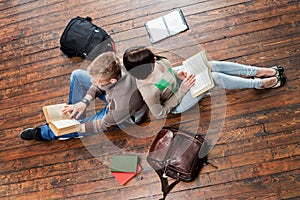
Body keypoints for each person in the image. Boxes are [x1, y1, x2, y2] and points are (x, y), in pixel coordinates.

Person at [122, 46, 286, 119]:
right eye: (152, 60)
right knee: (213, 78)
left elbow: (168, 70)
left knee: (211, 66)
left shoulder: (156, 61)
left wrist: (178, 73)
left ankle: (257, 71)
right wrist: (183, 90)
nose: (156, 59)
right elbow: (159, 114)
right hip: (177, 101)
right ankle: (258, 84)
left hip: (180, 83)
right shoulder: (148, 90)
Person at [20, 51, 147, 141]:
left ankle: (44, 133)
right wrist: (84, 102)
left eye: (96, 81)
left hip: (123, 116)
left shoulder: (123, 102)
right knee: (77, 75)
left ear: (112, 81)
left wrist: (78, 127)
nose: (92, 82)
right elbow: (99, 84)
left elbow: (104, 124)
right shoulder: (116, 64)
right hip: (112, 96)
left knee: (71, 128)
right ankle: (72, 117)